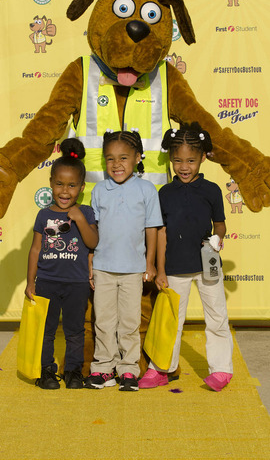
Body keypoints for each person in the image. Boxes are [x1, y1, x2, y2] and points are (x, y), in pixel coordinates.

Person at [139, 122, 233, 392]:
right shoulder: (165, 193)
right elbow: (161, 232)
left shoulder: (213, 190)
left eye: (191, 160)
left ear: (202, 158)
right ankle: (160, 369)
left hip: (208, 267)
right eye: (178, 160)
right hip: (175, 268)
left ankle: (222, 370)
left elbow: (221, 223)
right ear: (170, 159)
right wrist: (159, 269)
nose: (184, 166)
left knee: (217, 317)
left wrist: (219, 237)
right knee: (170, 322)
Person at [84, 129, 163, 392]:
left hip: (133, 269)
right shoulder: (99, 190)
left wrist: (150, 263)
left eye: (123, 158)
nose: (116, 164)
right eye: (110, 159)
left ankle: (128, 369)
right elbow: (93, 229)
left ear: (138, 158)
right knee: (103, 321)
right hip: (104, 268)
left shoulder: (146, 190)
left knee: (129, 322)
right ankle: (103, 368)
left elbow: (152, 228)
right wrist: (91, 261)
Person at [25, 138, 98, 390]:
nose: (65, 191)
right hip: (47, 282)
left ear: (81, 187)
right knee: (46, 331)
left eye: (71, 185)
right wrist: (30, 282)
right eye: (59, 184)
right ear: (50, 184)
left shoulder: (86, 212)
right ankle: (45, 371)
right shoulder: (43, 215)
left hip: (76, 284)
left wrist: (79, 219)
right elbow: (35, 249)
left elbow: (93, 242)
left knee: (75, 331)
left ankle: (73, 372)